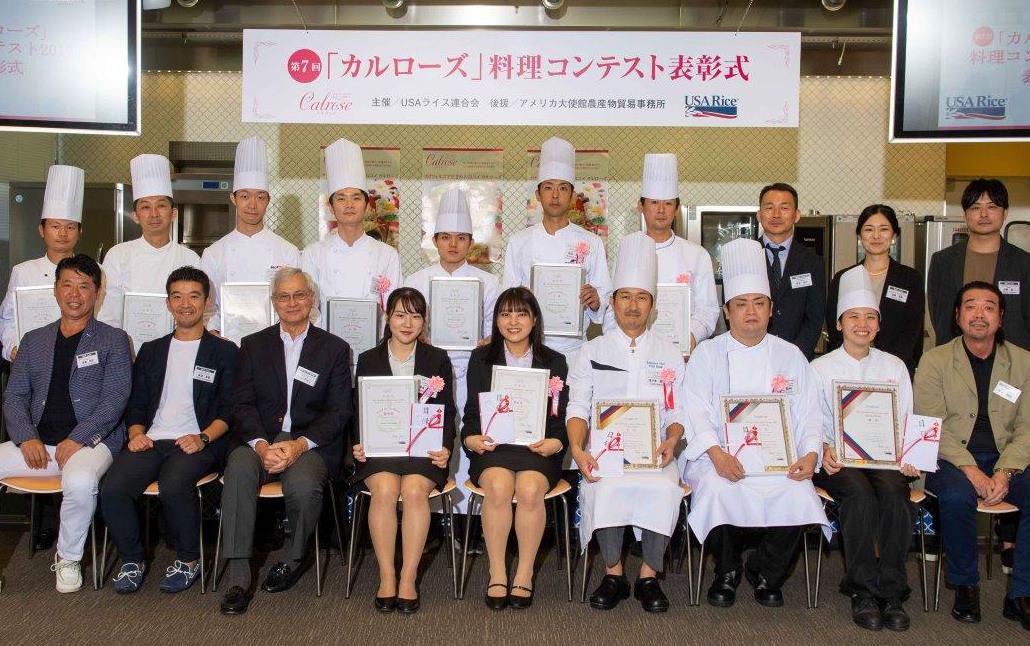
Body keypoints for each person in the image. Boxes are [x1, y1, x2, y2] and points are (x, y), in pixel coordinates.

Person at [681, 238, 829, 609]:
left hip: (779, 460)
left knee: (799, 492)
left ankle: (766, 571)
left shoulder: (790, 355)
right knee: (718, 488)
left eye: (759, 304)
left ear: (771, 309)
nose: (751, 312)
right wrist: (716, 454)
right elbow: (694, 410)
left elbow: (810, 412)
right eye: (741, 305)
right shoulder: (706, 354)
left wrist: (810, 454)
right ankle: (727, 571)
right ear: (726, 311)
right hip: (720, 456)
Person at [218, 267, 351, 615]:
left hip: (309, 443)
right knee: (237, 472)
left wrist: (298, 446)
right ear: (274, 302)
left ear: (311, 299)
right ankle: (238, 572)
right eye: (283, 296)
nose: (292, 302)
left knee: (305, 486)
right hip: (259, 438)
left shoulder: (334, 349)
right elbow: (241, 404)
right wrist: (262, 445)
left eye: (299, 295)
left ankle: (292, 558)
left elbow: (339, 412)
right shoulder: (253, 345)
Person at [100, 266, 238, 594]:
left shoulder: (225, 351)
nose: (185, 304)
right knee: (113, 487)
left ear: (207, 302)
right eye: (177, 296)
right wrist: (136, 434)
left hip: (201, 441)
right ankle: (132, 559)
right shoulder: (152, 350)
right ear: (168, 303)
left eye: (194, 296)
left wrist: (203, 437)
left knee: (174, 483)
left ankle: (189, 559)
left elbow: (230, 410)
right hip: (152, 438)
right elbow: (137, 402)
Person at [567, 235, 685, 613]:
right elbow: (578, 407)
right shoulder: (592, 350)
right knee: (605, 488)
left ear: (652, 305)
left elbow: (676, 410)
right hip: (605, 452)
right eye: (624, 297)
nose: (633, 306)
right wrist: (578, 449)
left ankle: (649, 575)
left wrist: (672, 440)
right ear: (613, 301)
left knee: (665, 489)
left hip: (654, 453)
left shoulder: (668, 353)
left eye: (642, 297)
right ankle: (614, 573)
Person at [1, 254, 131, 593]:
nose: (75, 294)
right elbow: (14, 396)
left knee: (80, 479)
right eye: (67, 285)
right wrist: (26, 437)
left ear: (98, 293)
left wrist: (78, 438)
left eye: (84, 286)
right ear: (56, 291)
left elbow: (114, 400)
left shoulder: (113, 339)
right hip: (38, 445)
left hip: (93, 444)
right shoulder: (33, 340)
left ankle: (69, 558)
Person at [917, 281, 1030, 629]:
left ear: (1000, 318)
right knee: (955, 496)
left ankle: (1021, 593)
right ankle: (965, 585)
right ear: (957, 315)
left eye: (988, 307)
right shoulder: (935, 360)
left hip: (1006, 457)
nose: (979, 314)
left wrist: (1005, 471)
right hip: (949, 456)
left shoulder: (1024, 362)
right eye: (970, 306)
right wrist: (972, 470)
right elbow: (931, 425)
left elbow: (1027, 427)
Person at [812, 265, 919, 631]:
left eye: (870, 316)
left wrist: (911, 455)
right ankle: (862, 590)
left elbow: (908, 418)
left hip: (887, 460)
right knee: (858, 495)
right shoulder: (820, 368)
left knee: (893, 493)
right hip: (839, 459)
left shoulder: (895, 366)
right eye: (853, 316)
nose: (862, 323)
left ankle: (891, 589)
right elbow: (810, 420)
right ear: (839, 323)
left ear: (878, 324)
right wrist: (824, 446)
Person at [461, 286, 569, 610]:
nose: (513, 321)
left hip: (537, 448)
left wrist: (557, 441)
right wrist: (470, 438)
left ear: (534, 319)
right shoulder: (481, 358)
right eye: (505, 313)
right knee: (498, 485)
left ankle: (524, 573)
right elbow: (470, 414)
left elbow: (559, 416)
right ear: (495, 321)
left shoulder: (555, 362)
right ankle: (497, 572)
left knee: (530, 488)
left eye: (521, 313)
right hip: (494, 447)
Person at [351, 287, 455, 614]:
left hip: (423, 450)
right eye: (400, 314)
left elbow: (447, 411)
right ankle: (386, 576)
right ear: (388, 318)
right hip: (380, 449)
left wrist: (444, 448)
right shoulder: (368, 359)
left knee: (412, 492)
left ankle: (408, 577)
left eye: (415, 315)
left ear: (424, 321)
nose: (407, 323)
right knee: (384, 490)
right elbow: (358, 411)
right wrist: (359, 443)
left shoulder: (437, 358)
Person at [404, 187, 500, 515]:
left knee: (470, 440)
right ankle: (433, 518)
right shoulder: (415, 281)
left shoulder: (489, 283)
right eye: (445, 237)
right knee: (432, 444)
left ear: (470, 240)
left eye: (461, 237)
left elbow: (494, 330)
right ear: (435, 241)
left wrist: (487, 339)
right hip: (428, 374)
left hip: (472, 372)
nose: (453, 244)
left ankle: (467, 522)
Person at [502, 136, 610, 368]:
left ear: (572, 195)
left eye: (562, 188)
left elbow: (604, 301)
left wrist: (595, 301)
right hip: (527, 350)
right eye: (548, 188)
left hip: (574, 351)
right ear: (538, 194)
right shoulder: (518, 242)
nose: (555, 195)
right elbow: (507, 302)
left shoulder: (591, 242)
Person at [604, 153, 719, 350]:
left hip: (682, 352)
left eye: (667, 203)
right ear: (641, 206)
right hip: (633, 349)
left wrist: (691, 336)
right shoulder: (628, 250)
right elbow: (612, 306)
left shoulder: (696, 255)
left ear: (676, 208)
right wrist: (621, 343)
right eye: (654, 202)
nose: (661, 210)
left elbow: (708, 309)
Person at [201, 136, 300, 334]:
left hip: (275, 345)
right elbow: (207, 309)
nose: (252, 204)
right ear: (233, 198)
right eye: (245, 196)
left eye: (260, 196)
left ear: (268, 200)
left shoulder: (288, 251)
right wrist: (215, 334)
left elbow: (298, 304)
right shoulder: (214, 253)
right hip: (227, 344)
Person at [302, 138, 402, 326]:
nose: (349, 205)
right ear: (331, 207)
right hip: (327, 349)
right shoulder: (312, 254)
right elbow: (309, 310)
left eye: (356, 198)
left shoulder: (387, 255)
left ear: (366, 206)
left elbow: (394, 309)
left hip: (374, 349)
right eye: (341, 198)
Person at [98, 154, 200, 329]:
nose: (154, 214)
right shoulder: (118, 255)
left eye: (161, 205)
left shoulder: (190, 259)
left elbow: (198, 312)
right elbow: (109, 313)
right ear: (135, 216)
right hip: (127, 349)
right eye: (145, 207)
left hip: (174, 347)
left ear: (173, 213)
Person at [928, 178, 1030, 351]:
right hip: (955, 359)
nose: (983, 214)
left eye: (992, 207)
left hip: (1011, 362)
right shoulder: (943, 261)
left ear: (1005, 213)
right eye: (975, 207)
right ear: (965, 213)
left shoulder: (1024, 263)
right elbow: (939, 316)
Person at [825, 204, 925, 375]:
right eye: (869, 229)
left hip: (894, 370)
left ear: (894, 235)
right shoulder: (844, 278)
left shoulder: (910, 278)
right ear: (859, 235)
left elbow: (912, 331)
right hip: (849, 370)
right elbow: (835, 329)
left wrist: (886, 366)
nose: (876, 236)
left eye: (884, 229)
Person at [1, 165, 83, 364]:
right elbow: (7, 319)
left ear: (80, 232)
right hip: (32, 361)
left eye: (70, 227)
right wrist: (12, 347)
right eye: (55, 226)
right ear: (41, 230)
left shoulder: (95, 271)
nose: (63, 234)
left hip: (79, 360)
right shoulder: (23, 272)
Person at [758, 183, 825, 360]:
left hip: (799, 357)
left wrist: (796, 355)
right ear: (759, 215)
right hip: (753, 355)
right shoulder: (745, 255)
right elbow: (734, 311)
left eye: (784, 208)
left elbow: (815, 316)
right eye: (769, 207)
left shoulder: (812, 261)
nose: (776, 214)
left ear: (796, 215)